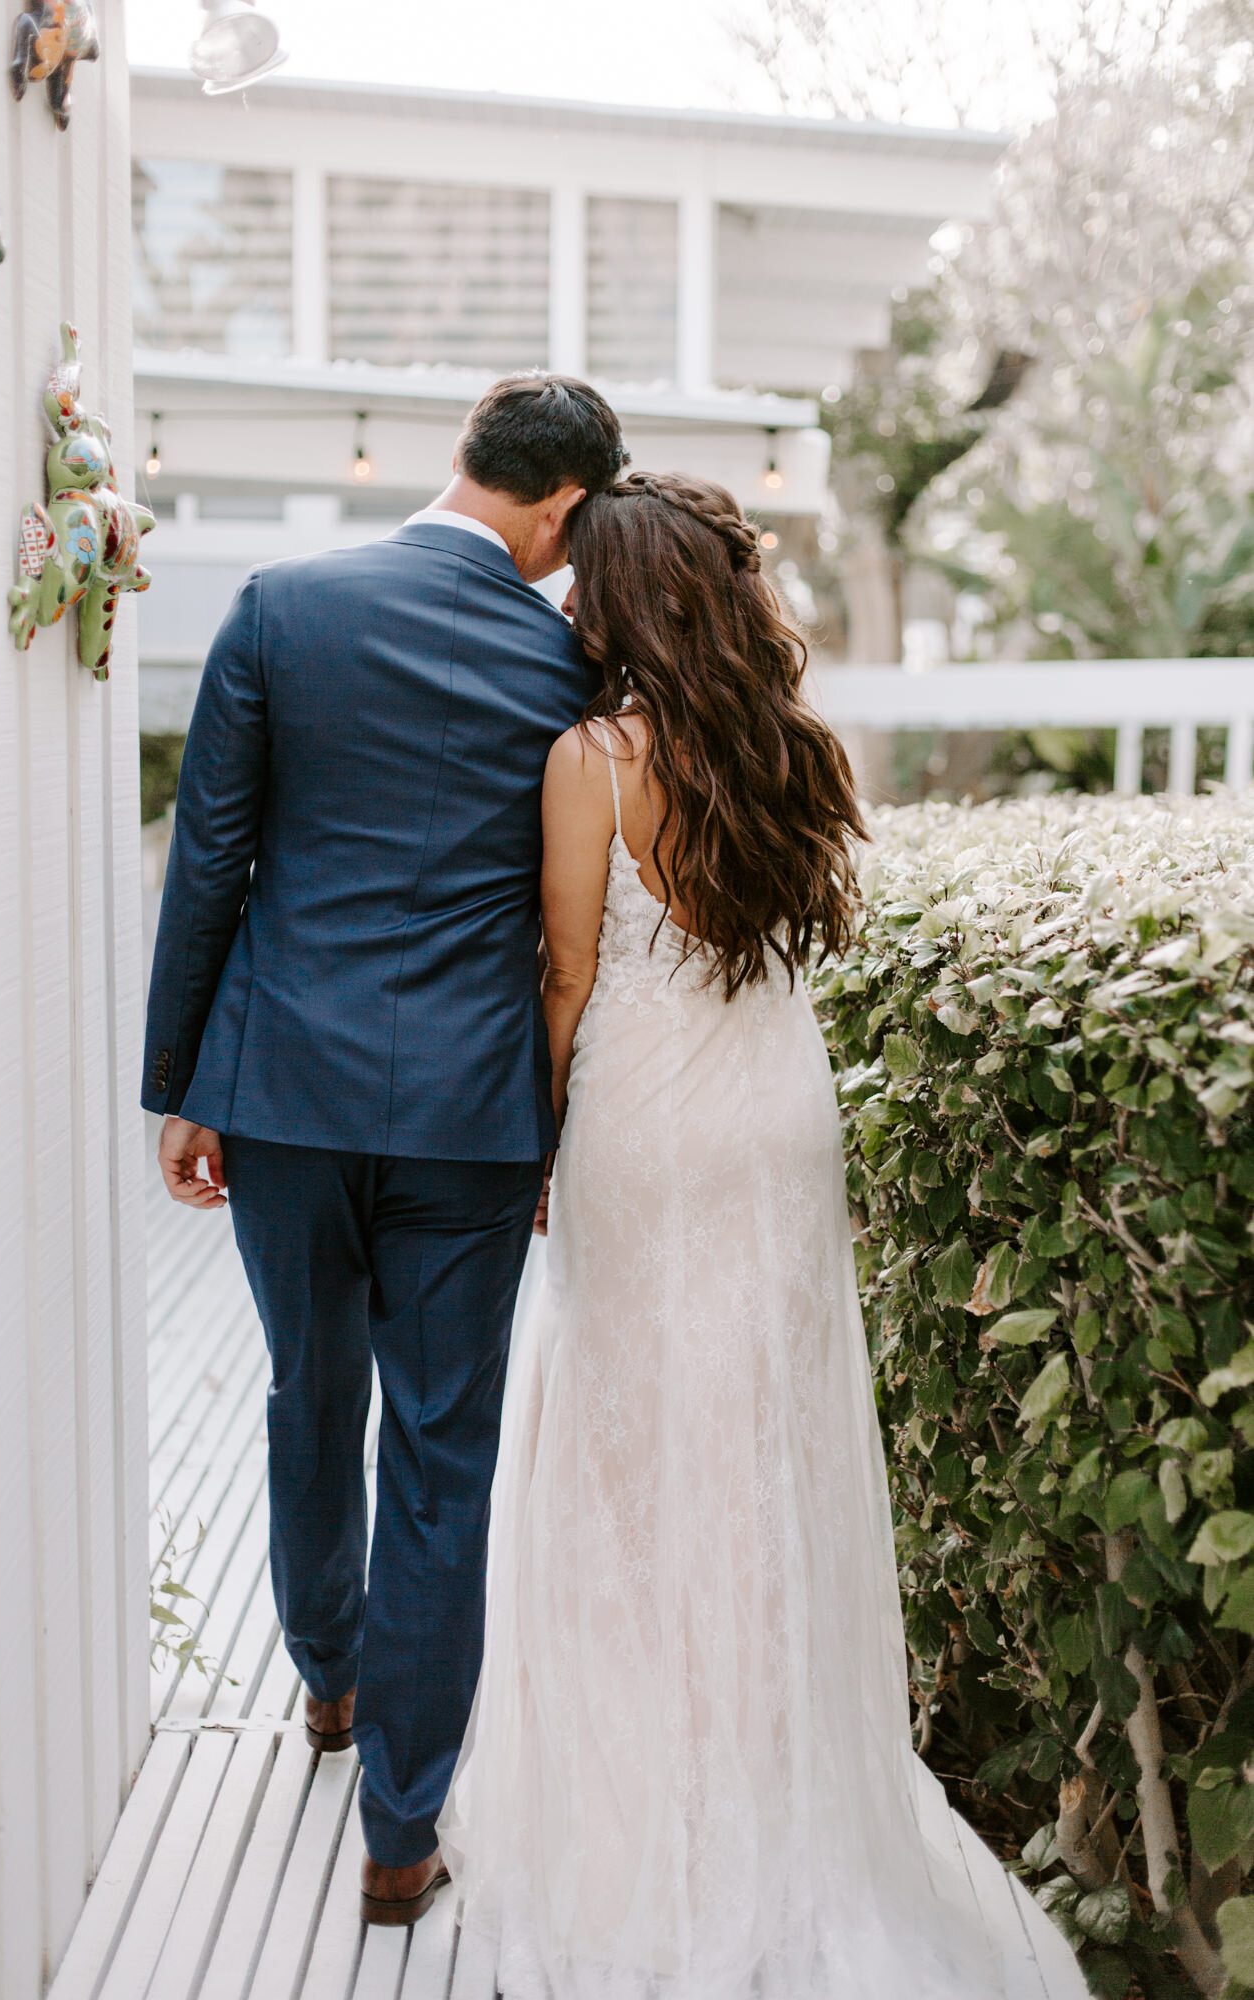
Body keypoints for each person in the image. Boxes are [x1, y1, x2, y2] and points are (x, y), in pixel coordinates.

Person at [438, 473, 1067, 1996]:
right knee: (762, 1451)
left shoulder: (590, 757)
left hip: (648, 1128)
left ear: (625, 598)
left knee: (632, 1448)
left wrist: (528, 1134)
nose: (569, 606)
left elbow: (572, 974)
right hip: (779, 1119)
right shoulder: (790, 743)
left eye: (585, 584)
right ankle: (783, 1793)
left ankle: (659, 1811)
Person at [141, 374, 628, 1926]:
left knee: (310, 1387)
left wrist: (183, 1083)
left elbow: (211, 853)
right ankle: (402, 1832)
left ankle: (329, 1680)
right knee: (441, 1455)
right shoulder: (571, 662)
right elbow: (584, 911)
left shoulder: (282, 606)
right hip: (473, 1119)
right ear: (560, 508)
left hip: (282, 1089)